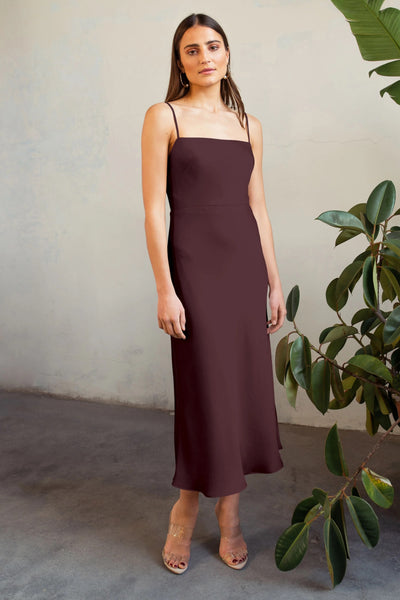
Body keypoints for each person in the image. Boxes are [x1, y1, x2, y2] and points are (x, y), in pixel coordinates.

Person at [141, 13, 286, 574]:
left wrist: (275, 281)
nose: (205, 56)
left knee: (244, 390)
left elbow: (258, 208)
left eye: (214, 46)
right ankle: (184, 508)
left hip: (244, 269)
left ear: (227, 54)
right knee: (205, 390)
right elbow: (155, 208)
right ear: (180, 61)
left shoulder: (249, 124)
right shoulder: (164, 116)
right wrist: (164, 287)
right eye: (192, 49)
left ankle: (230, 513)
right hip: (194, 269)